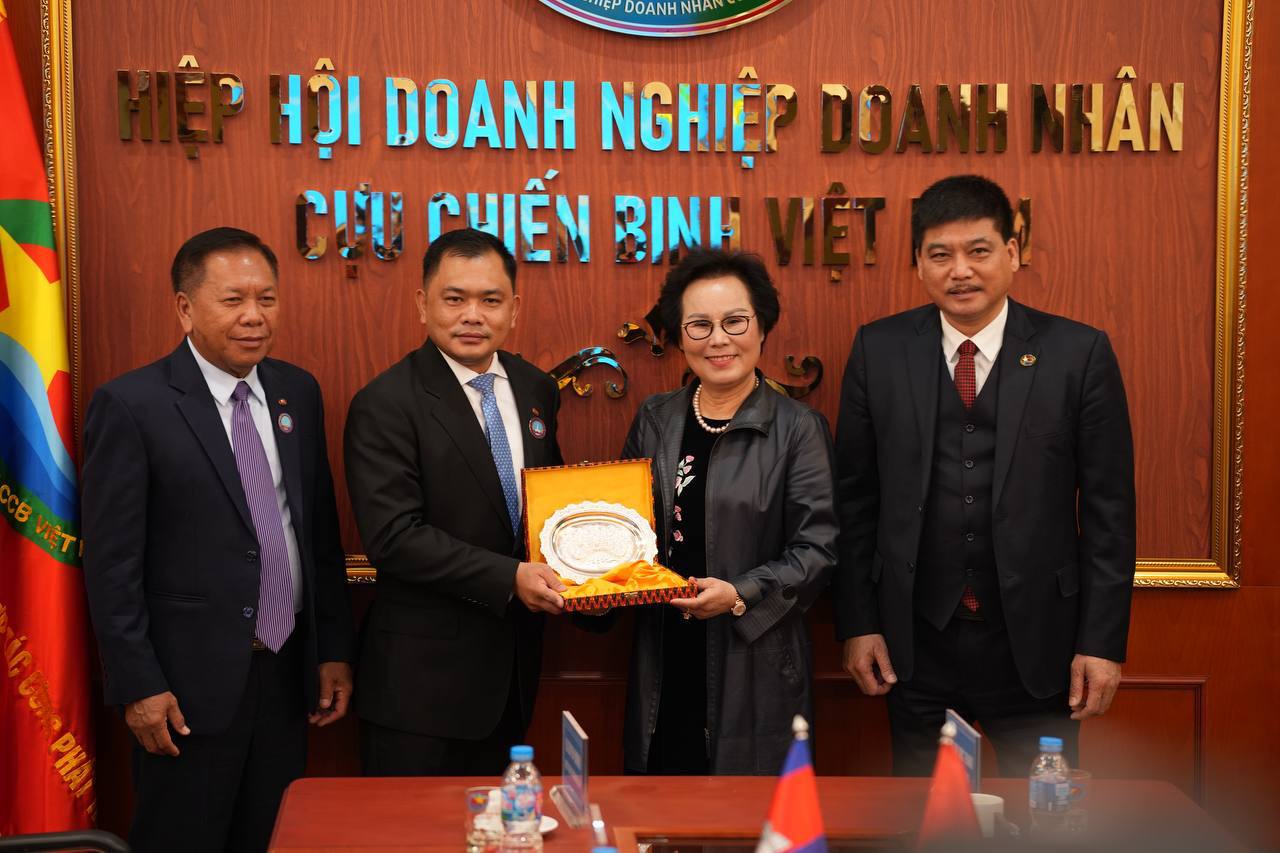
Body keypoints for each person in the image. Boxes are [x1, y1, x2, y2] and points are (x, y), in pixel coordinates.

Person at [833, 175, 1136, 775]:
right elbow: (854, 501)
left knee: (1045, 815)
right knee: (923, 815)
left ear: (1013, 252)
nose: (960, 271)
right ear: (918, 263)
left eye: (979, 251)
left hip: (1038, 648)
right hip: (915, 646)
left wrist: (1101, 644)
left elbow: (1110, 514)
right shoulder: (879, 350)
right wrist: (859, 625)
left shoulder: (1078, 354)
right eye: (940, 255)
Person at [81, 227, 355, 853]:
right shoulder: (132, 404)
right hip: (183, 688)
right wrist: (139, 684)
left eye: (267, 299)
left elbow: (317, 533)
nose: (254, 317)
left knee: (273, 838)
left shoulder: (297, 391)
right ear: (185, 308)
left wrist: (332, 649)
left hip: (285, 674)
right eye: (233, 300)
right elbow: (111, 565)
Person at [604, 249, 837, 775]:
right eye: (700, 325)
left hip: (753, 655)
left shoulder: (799, 429)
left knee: (745, 810)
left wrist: (739, 594)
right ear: (680, 335)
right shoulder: (655, 419)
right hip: (665, 656)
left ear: (762, 327)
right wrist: (590, 582)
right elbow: (622, 530)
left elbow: (816, 551)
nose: (718, 339)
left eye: (735, 321)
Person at [344, 227, 565, 776]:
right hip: (419, 692)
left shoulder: (536, 388)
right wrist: (511, 577)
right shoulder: (385, 403)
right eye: (454, 299)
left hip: (511, 679)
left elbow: (546, 505)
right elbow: (395, 538)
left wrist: (592, 576)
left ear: (514, 309)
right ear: (423, 304)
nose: (473, 315)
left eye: (490, 300)